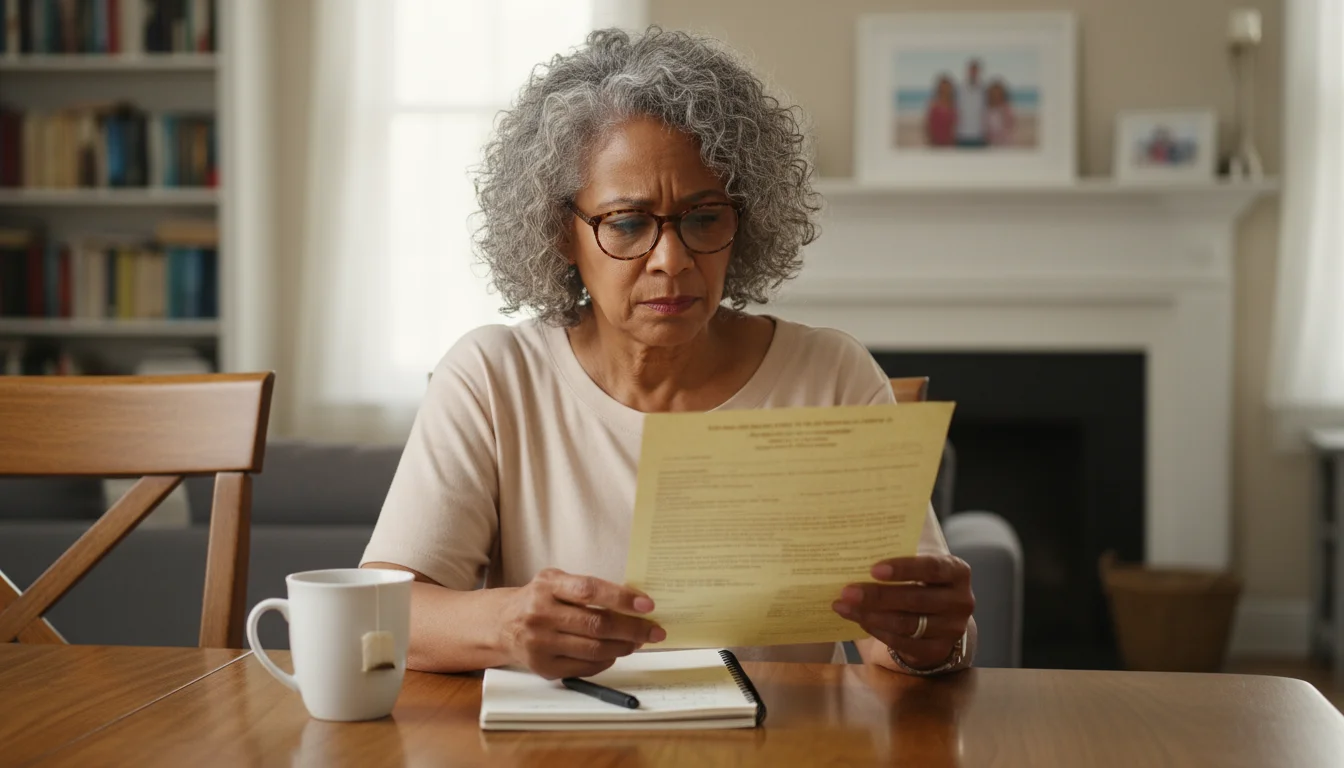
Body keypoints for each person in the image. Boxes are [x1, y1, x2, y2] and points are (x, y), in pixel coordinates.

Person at [359, 26, 977, 680]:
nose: (672, 261)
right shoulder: (494, 378)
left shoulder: (831, 374)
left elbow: (909, 642)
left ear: (745, 217)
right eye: (627, 223)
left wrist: (929, 635)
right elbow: (379, 614)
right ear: (561, 232)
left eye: (704, 217)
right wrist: (508, 626)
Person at [954, 58, 988, 148]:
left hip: (980, 135)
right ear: (967, 71)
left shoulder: (984, 90)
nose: (973, 72)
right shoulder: (959, 89)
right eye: (971, 70)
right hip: (962, 134)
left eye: (975, 70)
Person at [924, 75, 958, 147]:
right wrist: (930, 140)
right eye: (943, 87)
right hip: (935, 142)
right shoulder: (934, 104)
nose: (945, 89)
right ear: (939, 88)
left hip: (950, 142)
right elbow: (927, 124)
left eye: (947, 87)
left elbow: (955, 124)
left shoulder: (953, 104)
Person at [985, 79, 1016, 147]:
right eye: (994, 94)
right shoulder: (988, 108)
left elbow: (1011, 125)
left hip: (1005, 143)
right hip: (990, 143)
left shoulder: (1006, 108)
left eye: (998, 94)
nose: (996, 96)